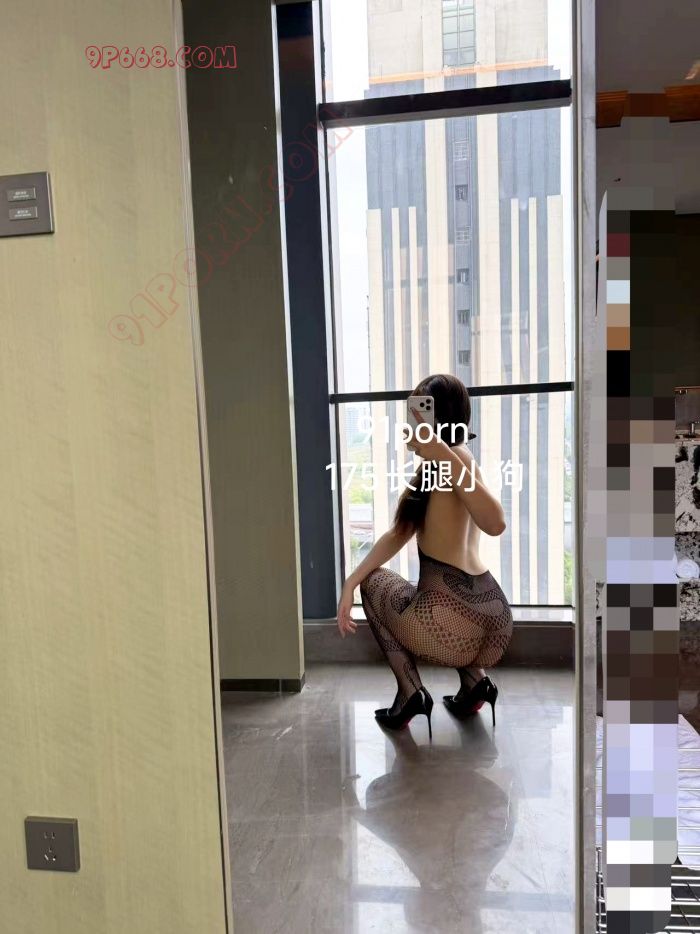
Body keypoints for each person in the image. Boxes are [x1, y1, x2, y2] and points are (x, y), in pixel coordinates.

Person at [336, 373, 513, 737]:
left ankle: (410, 692)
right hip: (492, 617)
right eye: (412, 412)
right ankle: (475, 683)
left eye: (420, 412)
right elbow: (399, 533)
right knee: (384, 583)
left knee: (373, 584)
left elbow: (495, 523)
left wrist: (357, 583)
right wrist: (348, 581)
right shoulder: (451, 463)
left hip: (448, 622)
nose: (411, 422)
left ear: (439, 418)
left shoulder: (453, 459)